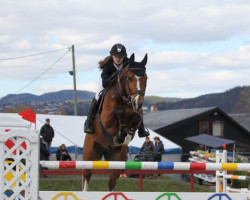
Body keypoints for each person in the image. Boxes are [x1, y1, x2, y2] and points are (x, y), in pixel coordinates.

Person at [84, 43, 149, 138]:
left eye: (121, 56)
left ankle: (141, 126)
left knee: (136, 97)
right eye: (116, 56)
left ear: (124, 56)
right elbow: (105, 83)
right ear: (112, 56)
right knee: (98, 96)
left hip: (121, 88)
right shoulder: (108, 66)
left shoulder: (128, 62)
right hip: (107, 84)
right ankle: (88, 122)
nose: (118, 58)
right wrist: (115, 75)